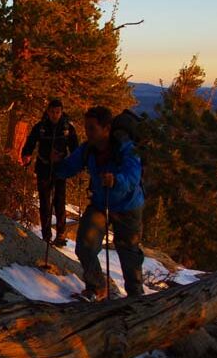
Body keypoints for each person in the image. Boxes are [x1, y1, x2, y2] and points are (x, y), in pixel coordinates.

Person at [53, 105, 145, 301]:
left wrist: (116, 180)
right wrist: (56, 165)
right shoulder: (88, 150)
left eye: (92, 128)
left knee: (129, 254)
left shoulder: (125, 148)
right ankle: (96, 288)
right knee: (84, 246)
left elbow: (132, 177)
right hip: (101, 204)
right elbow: (69, 167)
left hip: (127, 206)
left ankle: (136, 298)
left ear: (107, 128)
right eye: (86, 127)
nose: (88, 132)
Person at [20, 98, 79, 246]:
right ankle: (46, 235)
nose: (55, 115)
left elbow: (75, 147)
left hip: (60, 168)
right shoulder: (41, 127)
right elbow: (31, 141)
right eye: (52, 112)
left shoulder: (67, 128)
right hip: (44, 167)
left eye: (57, 112)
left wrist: (77, 164)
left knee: (59, 202)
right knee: (45, 202)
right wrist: (26, 154)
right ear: (48, 111)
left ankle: (60, 235)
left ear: (61, 112)